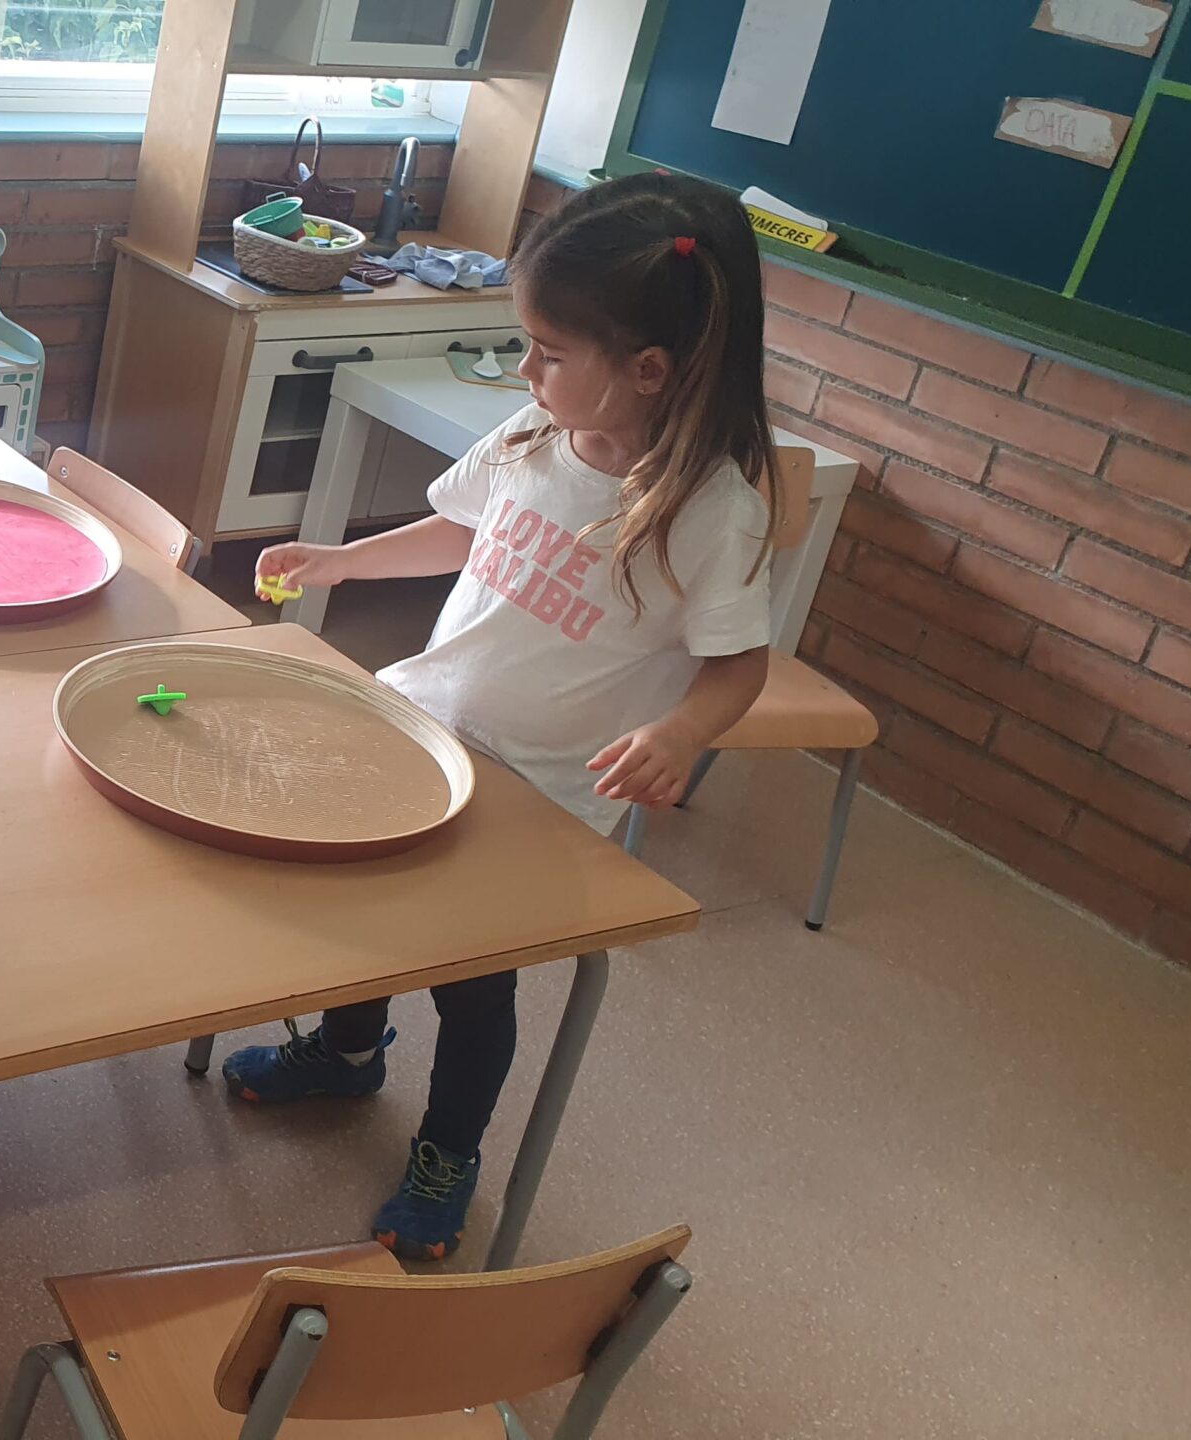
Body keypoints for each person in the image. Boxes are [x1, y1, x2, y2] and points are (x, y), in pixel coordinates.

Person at [227, 173, 779, 1261]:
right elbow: (456, 532)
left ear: (648, 369)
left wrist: (681, 732)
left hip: (541, 801)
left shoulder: (713, 512)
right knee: (371, 909)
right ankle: (348, 1055)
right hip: (425, 733)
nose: (525, 371)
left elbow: (739, 667)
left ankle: (448, 1152)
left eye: (548, 352)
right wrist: (339, 558)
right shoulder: (535, 432)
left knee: (472, 983)